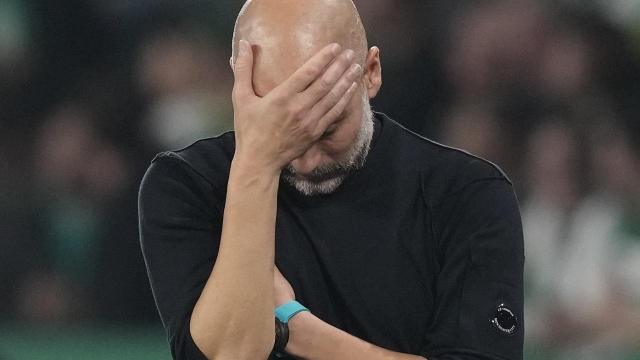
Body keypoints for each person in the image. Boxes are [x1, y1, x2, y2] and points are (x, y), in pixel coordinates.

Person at [138, 0, 525, 359]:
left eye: (326, 128)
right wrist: (256, 165)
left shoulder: (465, 193)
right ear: (241, 90)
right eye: (283, 127)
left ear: (370, 74)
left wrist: (294, 326)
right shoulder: (186, 185)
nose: (305, 161)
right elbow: (227, 354)